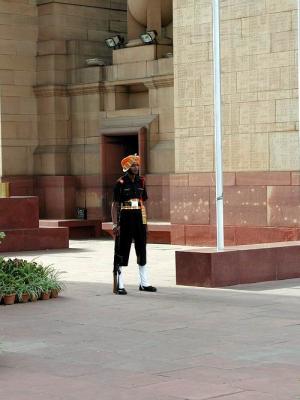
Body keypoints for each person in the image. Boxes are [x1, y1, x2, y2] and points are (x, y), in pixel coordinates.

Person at [111, 154, 157, 295]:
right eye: (133, 165)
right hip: (125, 218)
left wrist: (146, 224)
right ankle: (119, 285)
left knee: (141, 249)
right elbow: (115, 205)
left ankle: (144, 283)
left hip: (139, 217)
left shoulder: (141, 182)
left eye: (137, 165)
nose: (136, 167)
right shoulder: (120, 183)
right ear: (126, 167)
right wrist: (115, 224)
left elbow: (143, 203)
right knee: (122, 250)